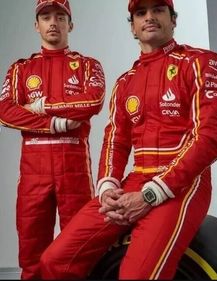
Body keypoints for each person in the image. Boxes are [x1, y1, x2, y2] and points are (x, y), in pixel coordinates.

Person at [39, 0, 217, 279]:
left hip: (183, 186)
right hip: (134, 182)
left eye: (158, 10)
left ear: (173, 19)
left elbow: (209, 140)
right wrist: (107, 188)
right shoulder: (125, 82)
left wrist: (152, 194)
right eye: (140, 13)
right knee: (54, 261)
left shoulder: (203, 63)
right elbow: (115, 140)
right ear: (133, 27)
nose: (149, 17)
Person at [0, 0, 105, 279]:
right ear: (37, 25)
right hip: (33, 171)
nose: (53, 22)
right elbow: (5, 110)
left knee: (80, 247)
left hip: (74, 169)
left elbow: (92, 101)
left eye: (60, 16)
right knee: (31, 248)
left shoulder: (87, 66)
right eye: (46, 17)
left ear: (70, 24)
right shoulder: (20, 70)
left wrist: (41, 106)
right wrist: (56, 123)